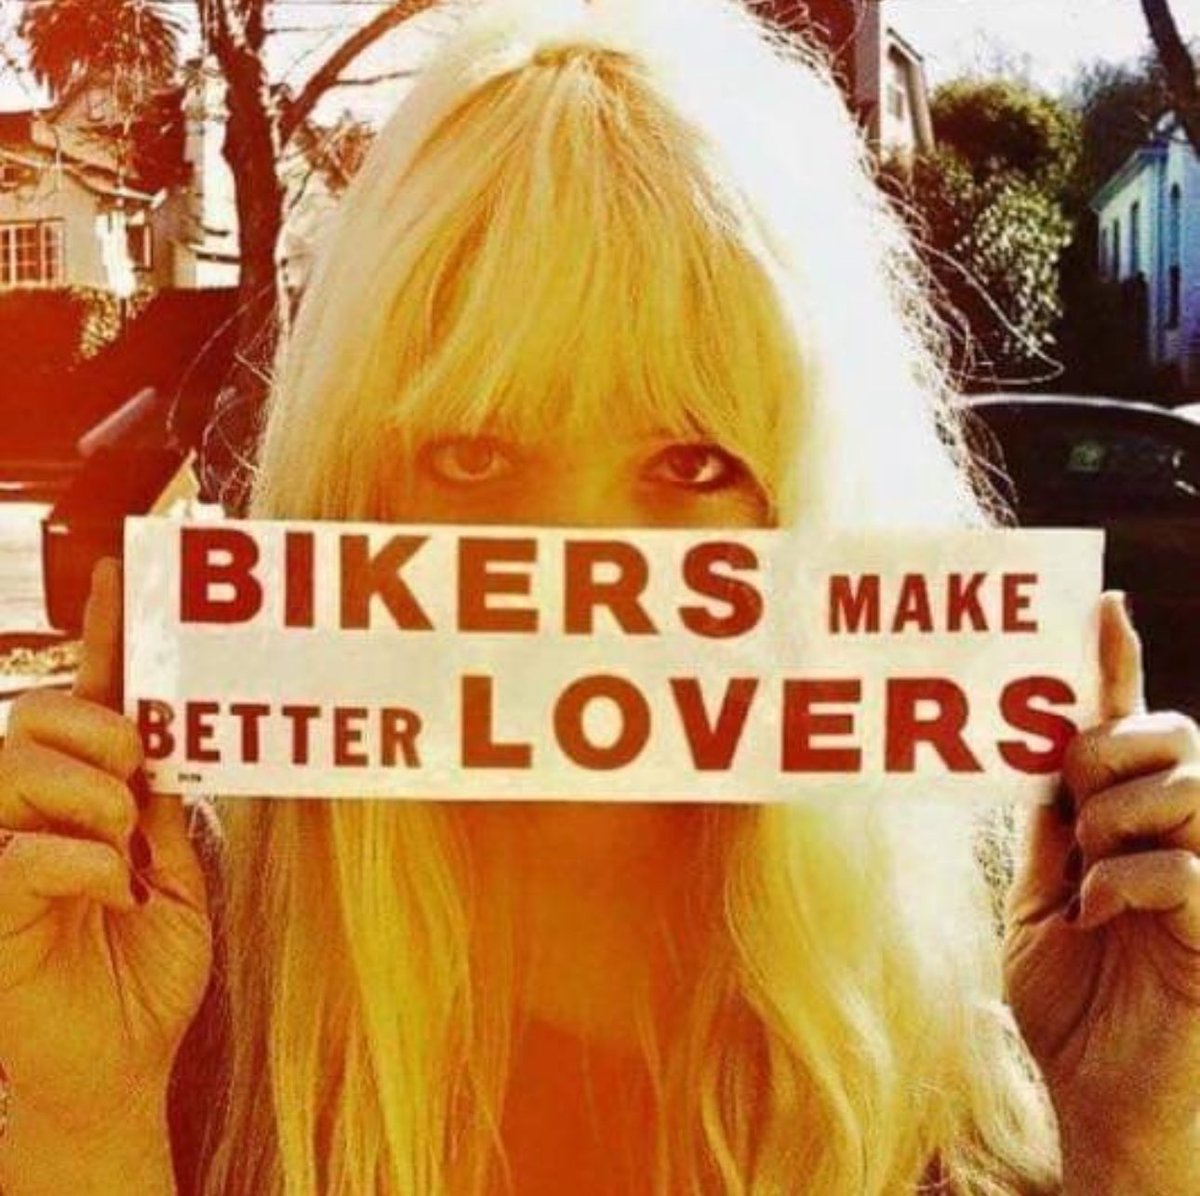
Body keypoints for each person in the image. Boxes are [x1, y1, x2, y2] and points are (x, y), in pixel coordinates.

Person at [1, 0, 1198, 1192]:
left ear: (814, 511)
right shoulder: (177, 982)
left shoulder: (965, 1025)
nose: (580, 560)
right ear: (349, 488)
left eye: (692, 463)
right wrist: (83, 1115)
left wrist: (1138, 1134)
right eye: (474, 454)